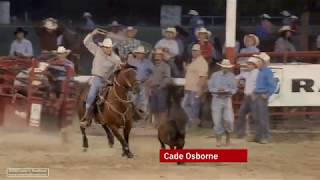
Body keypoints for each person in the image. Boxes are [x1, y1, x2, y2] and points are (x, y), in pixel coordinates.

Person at [81, 29, 122, 127]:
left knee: (120, 95)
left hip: (108, 81)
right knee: (91, 95)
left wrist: (118, 68)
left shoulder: (116, 59)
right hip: (97, 78)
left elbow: (119, 68)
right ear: (102, 47)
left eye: (109, 48)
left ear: (111, 48)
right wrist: (92, 33)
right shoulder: (97, 50)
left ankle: (120, 116)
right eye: (105, 47)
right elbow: (86, 42)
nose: (107, 49)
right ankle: (87, 115)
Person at [208, 59, 237, 147]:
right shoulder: (214, 75)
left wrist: (227, 91)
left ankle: (228, 139)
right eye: (224, 67)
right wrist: (218, 91)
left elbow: (234, 89)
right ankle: (219, 140)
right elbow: (210, 87)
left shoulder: (232, 76)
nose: (226, 69)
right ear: (221, 67)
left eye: (227, 67)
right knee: (217, 121)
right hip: (216, 99)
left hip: (227, 99)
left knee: (229, 120)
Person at [182, 44, 208, 127]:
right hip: (189, 88)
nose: (194, 52)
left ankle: (194, 122)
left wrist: (200, 89)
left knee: (193, 107)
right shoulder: (194, 61)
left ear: (200, 51)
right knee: (185, 106)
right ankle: (193, 121)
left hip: (195, 89)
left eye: (196, 51)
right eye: (193, 50)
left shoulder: (202, 62)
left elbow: (203, 77)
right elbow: (191, 73)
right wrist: (185, 68)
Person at [252, 52, 277, 144]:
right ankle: (259, 136)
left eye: (259, 61)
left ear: (264, 62)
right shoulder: (260, 71)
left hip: (262, 95)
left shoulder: (267, 72)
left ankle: (265, 136)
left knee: (262, 117)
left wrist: (267, 94)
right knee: (257, 117)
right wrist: (254, 92)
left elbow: (273, 85)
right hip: (258, 94)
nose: (257, 63)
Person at [146, 48, 171, 128]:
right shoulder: (153, 66)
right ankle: (157, 124)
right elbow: (151, 78)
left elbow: (167, 78)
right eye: (156, 55)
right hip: (153, 89)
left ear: (162, 56)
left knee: (162, 107)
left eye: (159, 55)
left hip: (161, 89)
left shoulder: (166, 66)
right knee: (154, 108)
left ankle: (162, 124)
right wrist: (149, 88)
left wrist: (161, 86)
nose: (157, 57)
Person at [235, 57, 259, 138]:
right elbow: (237, 77)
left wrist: (254, 93)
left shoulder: (257, 73)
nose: (248, 66)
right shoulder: (246, 73)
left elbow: (259, 85)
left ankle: (257, 134)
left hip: (253, 96)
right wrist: (237, 82)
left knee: (255, 116)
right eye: (248, 64)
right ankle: (240, 133)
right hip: (247, 96)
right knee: (242, 114)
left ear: (254, 65)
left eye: (249, 64)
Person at [128, 46, 153, 117]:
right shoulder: (131, 62)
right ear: (136, 53)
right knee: (133, 99)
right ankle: (133, 115)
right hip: (133, 83)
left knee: (143, 99)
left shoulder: (148, 62)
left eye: (142, 53)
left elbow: (153, 72)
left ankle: (142, 115)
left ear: (144, 54)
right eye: (139, 53)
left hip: (143, 83)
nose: (140, 55)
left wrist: (149, 79)